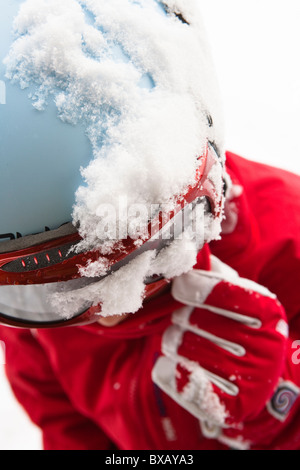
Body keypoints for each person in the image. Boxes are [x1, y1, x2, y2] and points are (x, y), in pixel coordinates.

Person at [0, 0, 300, 451]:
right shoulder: (35, 327)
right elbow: (65, 426)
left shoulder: (287, 239)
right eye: (48, 288)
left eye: (146, 252)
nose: (110, 310)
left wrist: (279, 406)